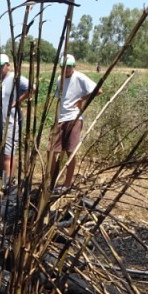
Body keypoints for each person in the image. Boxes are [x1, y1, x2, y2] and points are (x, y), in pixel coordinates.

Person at [49, 54, 102, 192]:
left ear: (74, 67)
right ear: (61, 67)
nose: (67, 69)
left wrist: (82, 100)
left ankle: (67, 185)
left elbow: (98, 90)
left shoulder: (80, 77)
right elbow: (59, 97)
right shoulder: (60, 79)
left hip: (74, 117)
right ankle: (52, 182)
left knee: (70, 152)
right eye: (65, 67)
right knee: (51, 151)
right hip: (61, 118)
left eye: (70, 67)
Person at [0, 54, 32, 186]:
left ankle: (8, 182)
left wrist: (17, 101)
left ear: (7, 65)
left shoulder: (15, 78)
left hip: (10, 121)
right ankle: (2, 180)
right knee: (0, 152)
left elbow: (32, 88)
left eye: (1, 66)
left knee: (8, 153)